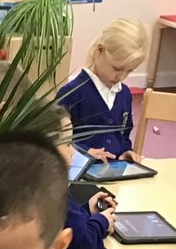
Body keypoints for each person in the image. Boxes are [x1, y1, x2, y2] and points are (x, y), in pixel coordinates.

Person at [55, 109, 147, 249]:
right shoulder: (55, 191)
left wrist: (87, 210)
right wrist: (101, 222)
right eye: (68, 143)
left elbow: (71, 223)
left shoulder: (44, 184)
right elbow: (83, 245)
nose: (73, 151)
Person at [58, 17, 149, 164]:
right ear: (99, 51)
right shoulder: (71, 93)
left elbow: (123, 134)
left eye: (129, 71)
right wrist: (84, 152)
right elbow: (57, 141)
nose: (121, 76)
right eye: (117, 68)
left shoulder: (124, 94)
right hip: (82, 171)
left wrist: (126, 151)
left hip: (115, 171)